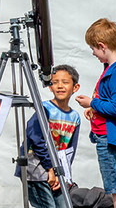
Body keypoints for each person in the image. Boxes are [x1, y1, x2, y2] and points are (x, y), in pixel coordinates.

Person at [75, 18, 116, 208]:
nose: (93, 53)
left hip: (109, 139)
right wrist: (96, 109)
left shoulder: (115, 73)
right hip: (109, 136)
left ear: (102, 46)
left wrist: (92, 102)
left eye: (93, 49)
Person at [16, 65, 81, 208]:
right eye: (55, 82)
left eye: (65, 82)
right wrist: (51, 169)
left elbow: (70, 150)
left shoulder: (75, 117)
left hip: (57, 170)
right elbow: (35, 138)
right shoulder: (44, 109)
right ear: (50, 87)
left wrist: (63, 174)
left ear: (75, 87)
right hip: (36, 169)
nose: (59, 86)